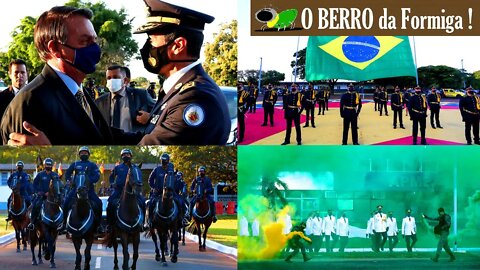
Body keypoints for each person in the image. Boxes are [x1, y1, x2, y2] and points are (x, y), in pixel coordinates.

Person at [1, 6, 114, 145]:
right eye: (85, 41)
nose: (95, 48)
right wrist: (49, 154)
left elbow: (97, 134)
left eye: (94, 41)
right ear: (55, 48)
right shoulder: (31, 102)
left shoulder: (78, 91)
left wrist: (146, 138)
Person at [133, 0, 230, 145]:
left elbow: (152, 144)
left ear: (178, 46)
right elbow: (148, 133)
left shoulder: (194, 97)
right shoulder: (179, 88)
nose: (147, 47)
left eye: (151, 40)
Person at [95, 65, 155, 133]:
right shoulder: (99, 102)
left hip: (136, 141)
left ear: (125, 80)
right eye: (109, 78)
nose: (111, 80)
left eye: (115, 77)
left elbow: (161, 114)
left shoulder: (141, 95)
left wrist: (150, 118)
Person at [62, 146, 102, 231]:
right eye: (82, 153)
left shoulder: (92, 165)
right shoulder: (75, 164)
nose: (84, 154)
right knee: (65, 203)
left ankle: (99, 225)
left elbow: (97, 175)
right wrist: (70, 181)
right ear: (79, 154)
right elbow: (67, 174)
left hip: (88, 190)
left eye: (85, 153)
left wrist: (89, 181)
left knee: (99, 203)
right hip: (75, 189)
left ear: (88, 154)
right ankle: (64, 223)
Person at [106, 149, 146, 232]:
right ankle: (109, 225)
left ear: (131, 156)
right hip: (119, 191)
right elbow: (111, 178)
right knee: (110, 204)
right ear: (121, 157)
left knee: (142, 202)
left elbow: (139, 178)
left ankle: (142, 223)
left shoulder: (135, 168)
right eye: (124, 155)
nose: (126, 156)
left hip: (132, 191)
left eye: (128, 155)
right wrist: (113, 183)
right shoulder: (117, 168)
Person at [27, 158, 60, 230]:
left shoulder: (55, 175)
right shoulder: (40, 174)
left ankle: (61, 224)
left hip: (53, 197)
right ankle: (32, 223)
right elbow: (34, 185)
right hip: (41, 196)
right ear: (44, 165)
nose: (48, 166)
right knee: (35, 205)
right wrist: (42, 193)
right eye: (47, 165)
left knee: (62, 205)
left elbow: (59, 185)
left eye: (50, 165)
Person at [145, 152, 174, 229]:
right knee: (150, 203)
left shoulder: (171, 170)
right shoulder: (156, 170)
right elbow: (150, 180)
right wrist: (154, 187)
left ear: (168, 161)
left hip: (169, 192)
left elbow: (175, 180)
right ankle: (150, 221)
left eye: (164, 160)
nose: (163, 161)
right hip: (157, 193)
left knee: (179, 202)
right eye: (162, 160)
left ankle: (182, 219)